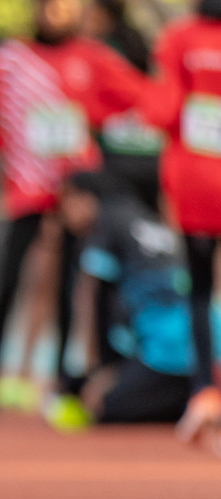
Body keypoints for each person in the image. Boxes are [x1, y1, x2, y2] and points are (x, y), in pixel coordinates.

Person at [0, 0, 150, 412]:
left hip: (74, 195)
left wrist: (94, 122)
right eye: (48, 5)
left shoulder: (92, 57)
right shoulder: (11, 60)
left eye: (64, 6)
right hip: (26, 190)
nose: (55, 14)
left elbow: (137, 97)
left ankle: (62, 382)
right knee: (8, 281)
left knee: (70, 289)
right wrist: (5, 141)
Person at [146, 0, 221, 454]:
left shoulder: (179, 39)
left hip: (195, 180)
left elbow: (163, 110)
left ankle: (204, 392)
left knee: (198, 288)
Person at [54, 171, 194, 426]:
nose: (62, 213)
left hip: (164, 354)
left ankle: (181, 403)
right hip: (197, 350)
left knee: (101, 406)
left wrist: (103, 368)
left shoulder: (106, 221)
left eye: (65, 201)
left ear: (86, 199)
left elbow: (98, 297)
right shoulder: (143, 217)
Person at [87, 0, 165, 211]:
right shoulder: (135, 40)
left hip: (114, 151)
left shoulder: (100, 50)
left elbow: (135, 92)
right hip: (148, 149)